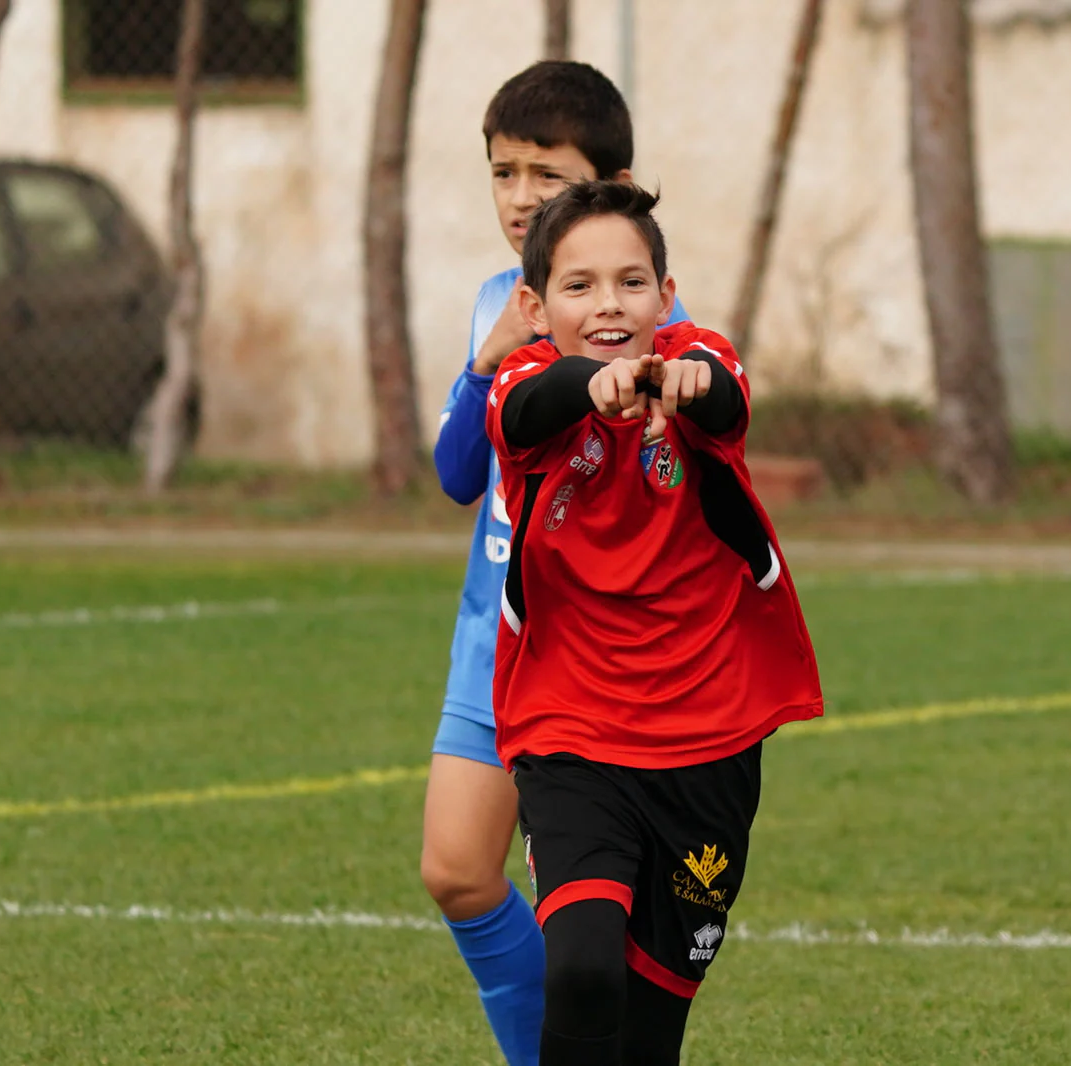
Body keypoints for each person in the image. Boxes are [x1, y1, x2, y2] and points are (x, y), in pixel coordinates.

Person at [484, 180, 824, 1065]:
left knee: (651, 1024)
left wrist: (688, 385)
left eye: (632, 283)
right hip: (572, 729)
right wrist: (589, 387)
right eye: (580, 285)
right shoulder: (528, 379)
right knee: (584, 969)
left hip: (709, 735)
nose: (608, 305)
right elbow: (525, 410)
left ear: (666, 297)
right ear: (536, 304)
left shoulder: (700, 355)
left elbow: (728, 401)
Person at [425, 62, 688, 1066]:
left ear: (611, 183)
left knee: (594, 920)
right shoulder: (503, 298)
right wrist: (490, 352)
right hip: (489, 632)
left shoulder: (639, 310)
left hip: (594, 651)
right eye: (504, 172)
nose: (523, 197)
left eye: (549, 173)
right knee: (456, 868)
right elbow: (457, 474)